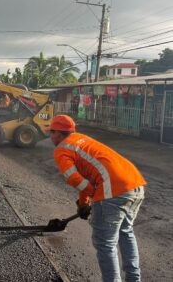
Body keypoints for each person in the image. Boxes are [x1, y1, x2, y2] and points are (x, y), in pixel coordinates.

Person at [48, 115, 146, 282]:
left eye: (51, 132)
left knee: (105, 243)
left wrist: (93, 197)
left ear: (59, 132)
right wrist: (83, 203)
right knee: (126, 232)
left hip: (112, 191)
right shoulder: (83, 139)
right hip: (135, 184)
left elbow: (74, 178)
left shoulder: (62, 149)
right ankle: (134, 279)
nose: (50, 136)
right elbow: (87, 177)